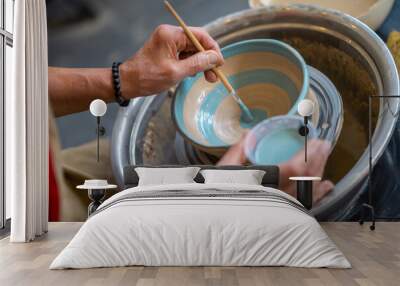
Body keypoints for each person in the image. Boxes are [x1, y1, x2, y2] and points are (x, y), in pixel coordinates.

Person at [49, 25, 333, 221]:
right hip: (35, 222)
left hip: (42, 165)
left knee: (120, 163)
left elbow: (14, 83)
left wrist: (127, 78)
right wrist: (213, 211)